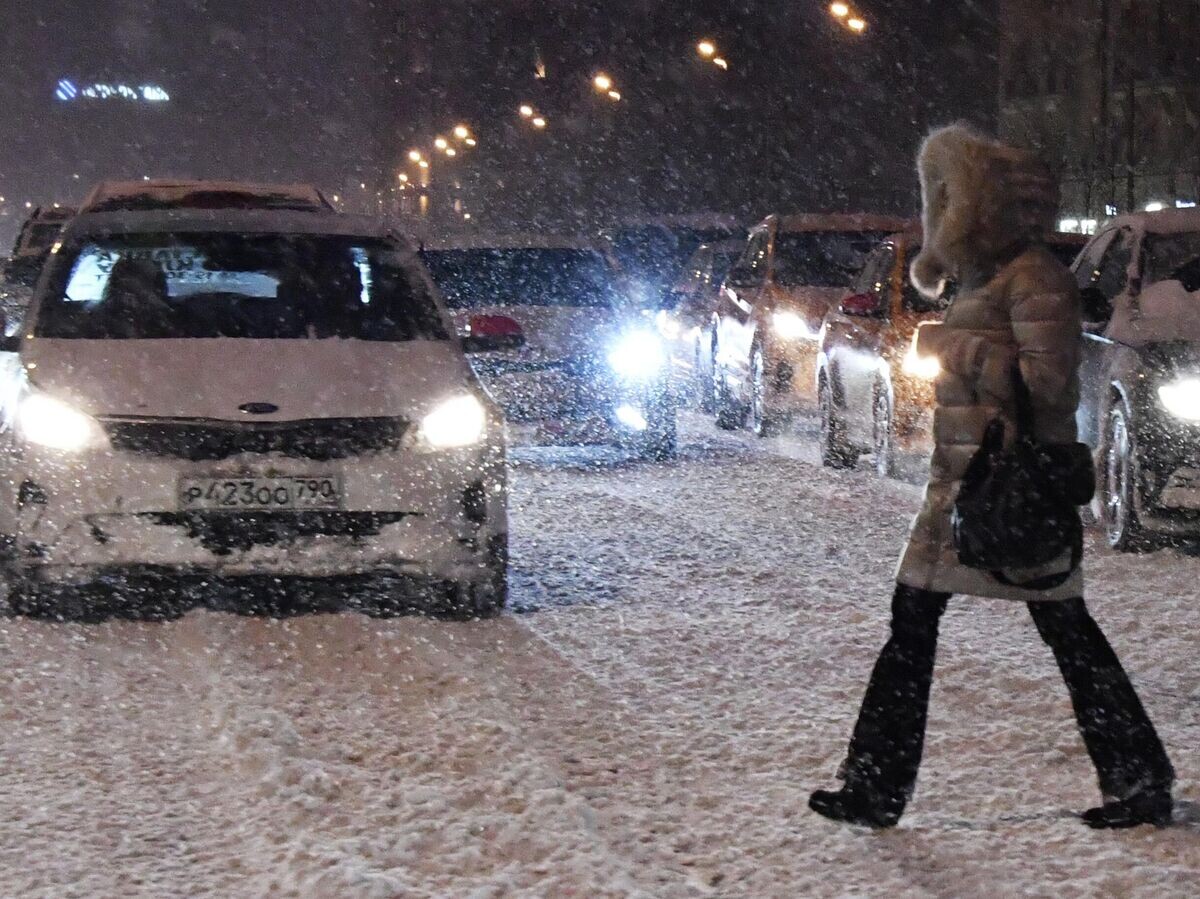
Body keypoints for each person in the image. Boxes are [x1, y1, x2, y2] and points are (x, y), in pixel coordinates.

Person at [809, 124, 1175, 830]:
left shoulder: (1035, 278)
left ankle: (1138, 778)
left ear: (986, 206)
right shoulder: (986, 277)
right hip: (959, 487)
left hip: (1010, 485)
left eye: (955, 199)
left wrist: (955, 345)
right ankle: (873, 786)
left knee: (1068, 632)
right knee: (914, 625)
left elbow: (1043, 381)